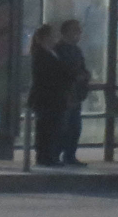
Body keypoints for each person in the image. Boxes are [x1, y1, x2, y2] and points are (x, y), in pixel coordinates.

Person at [51, 19, 92, 166]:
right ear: (66, 32)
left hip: (75, 95)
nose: (79, 34)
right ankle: (55, 155)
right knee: (62, 127)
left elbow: (82, 68)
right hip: (64, 95)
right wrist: (77, 76)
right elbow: (61, 71)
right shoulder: (58, 50)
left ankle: (69, 155)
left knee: (74, 127)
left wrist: (85, 75)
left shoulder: (76, 50)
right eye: (76, 30)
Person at [27, 22, 65, 167]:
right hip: (45, 97)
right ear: (43, 38)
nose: (54, 38)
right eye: (51, 36)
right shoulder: (40, 55)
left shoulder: (52, 53)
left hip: (54, 97)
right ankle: (44, 156)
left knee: (53, 127)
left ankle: (51, 155)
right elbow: (44, 76)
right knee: (45, 128)